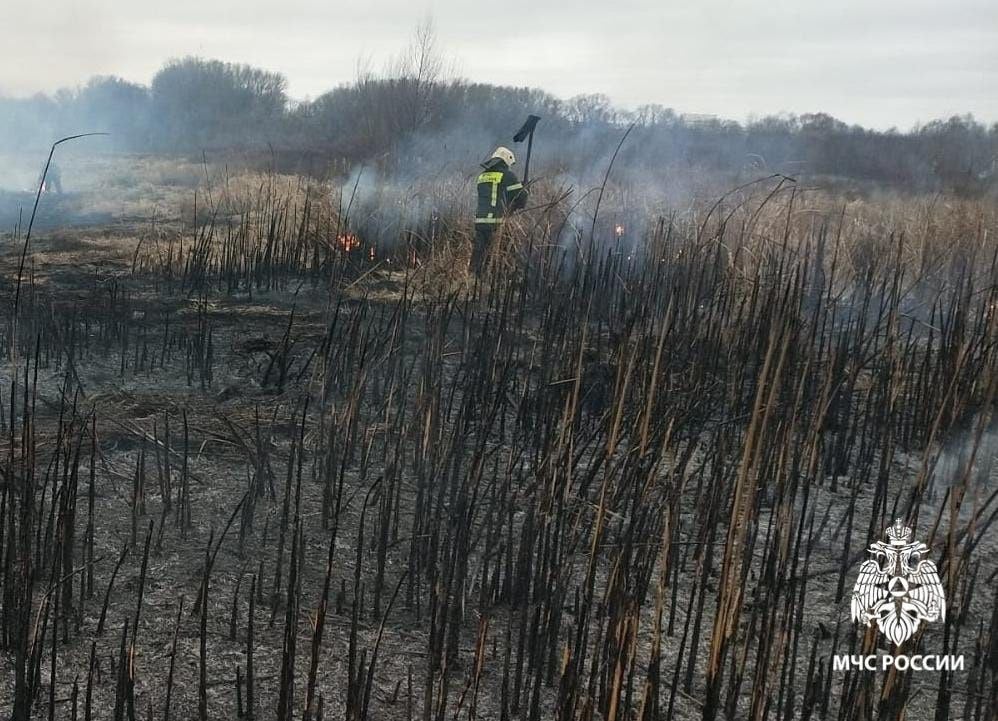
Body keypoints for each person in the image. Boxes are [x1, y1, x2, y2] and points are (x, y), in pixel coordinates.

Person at [472, 146, 527, 276]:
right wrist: (524, 189)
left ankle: (474, 276)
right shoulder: (507, 175)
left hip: (480, 220)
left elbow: (493, 194)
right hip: (496, 222)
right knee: (497, 252)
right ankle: (495, 277)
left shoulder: (482, 176)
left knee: (479, 251)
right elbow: (521, 199)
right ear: (506, 161)